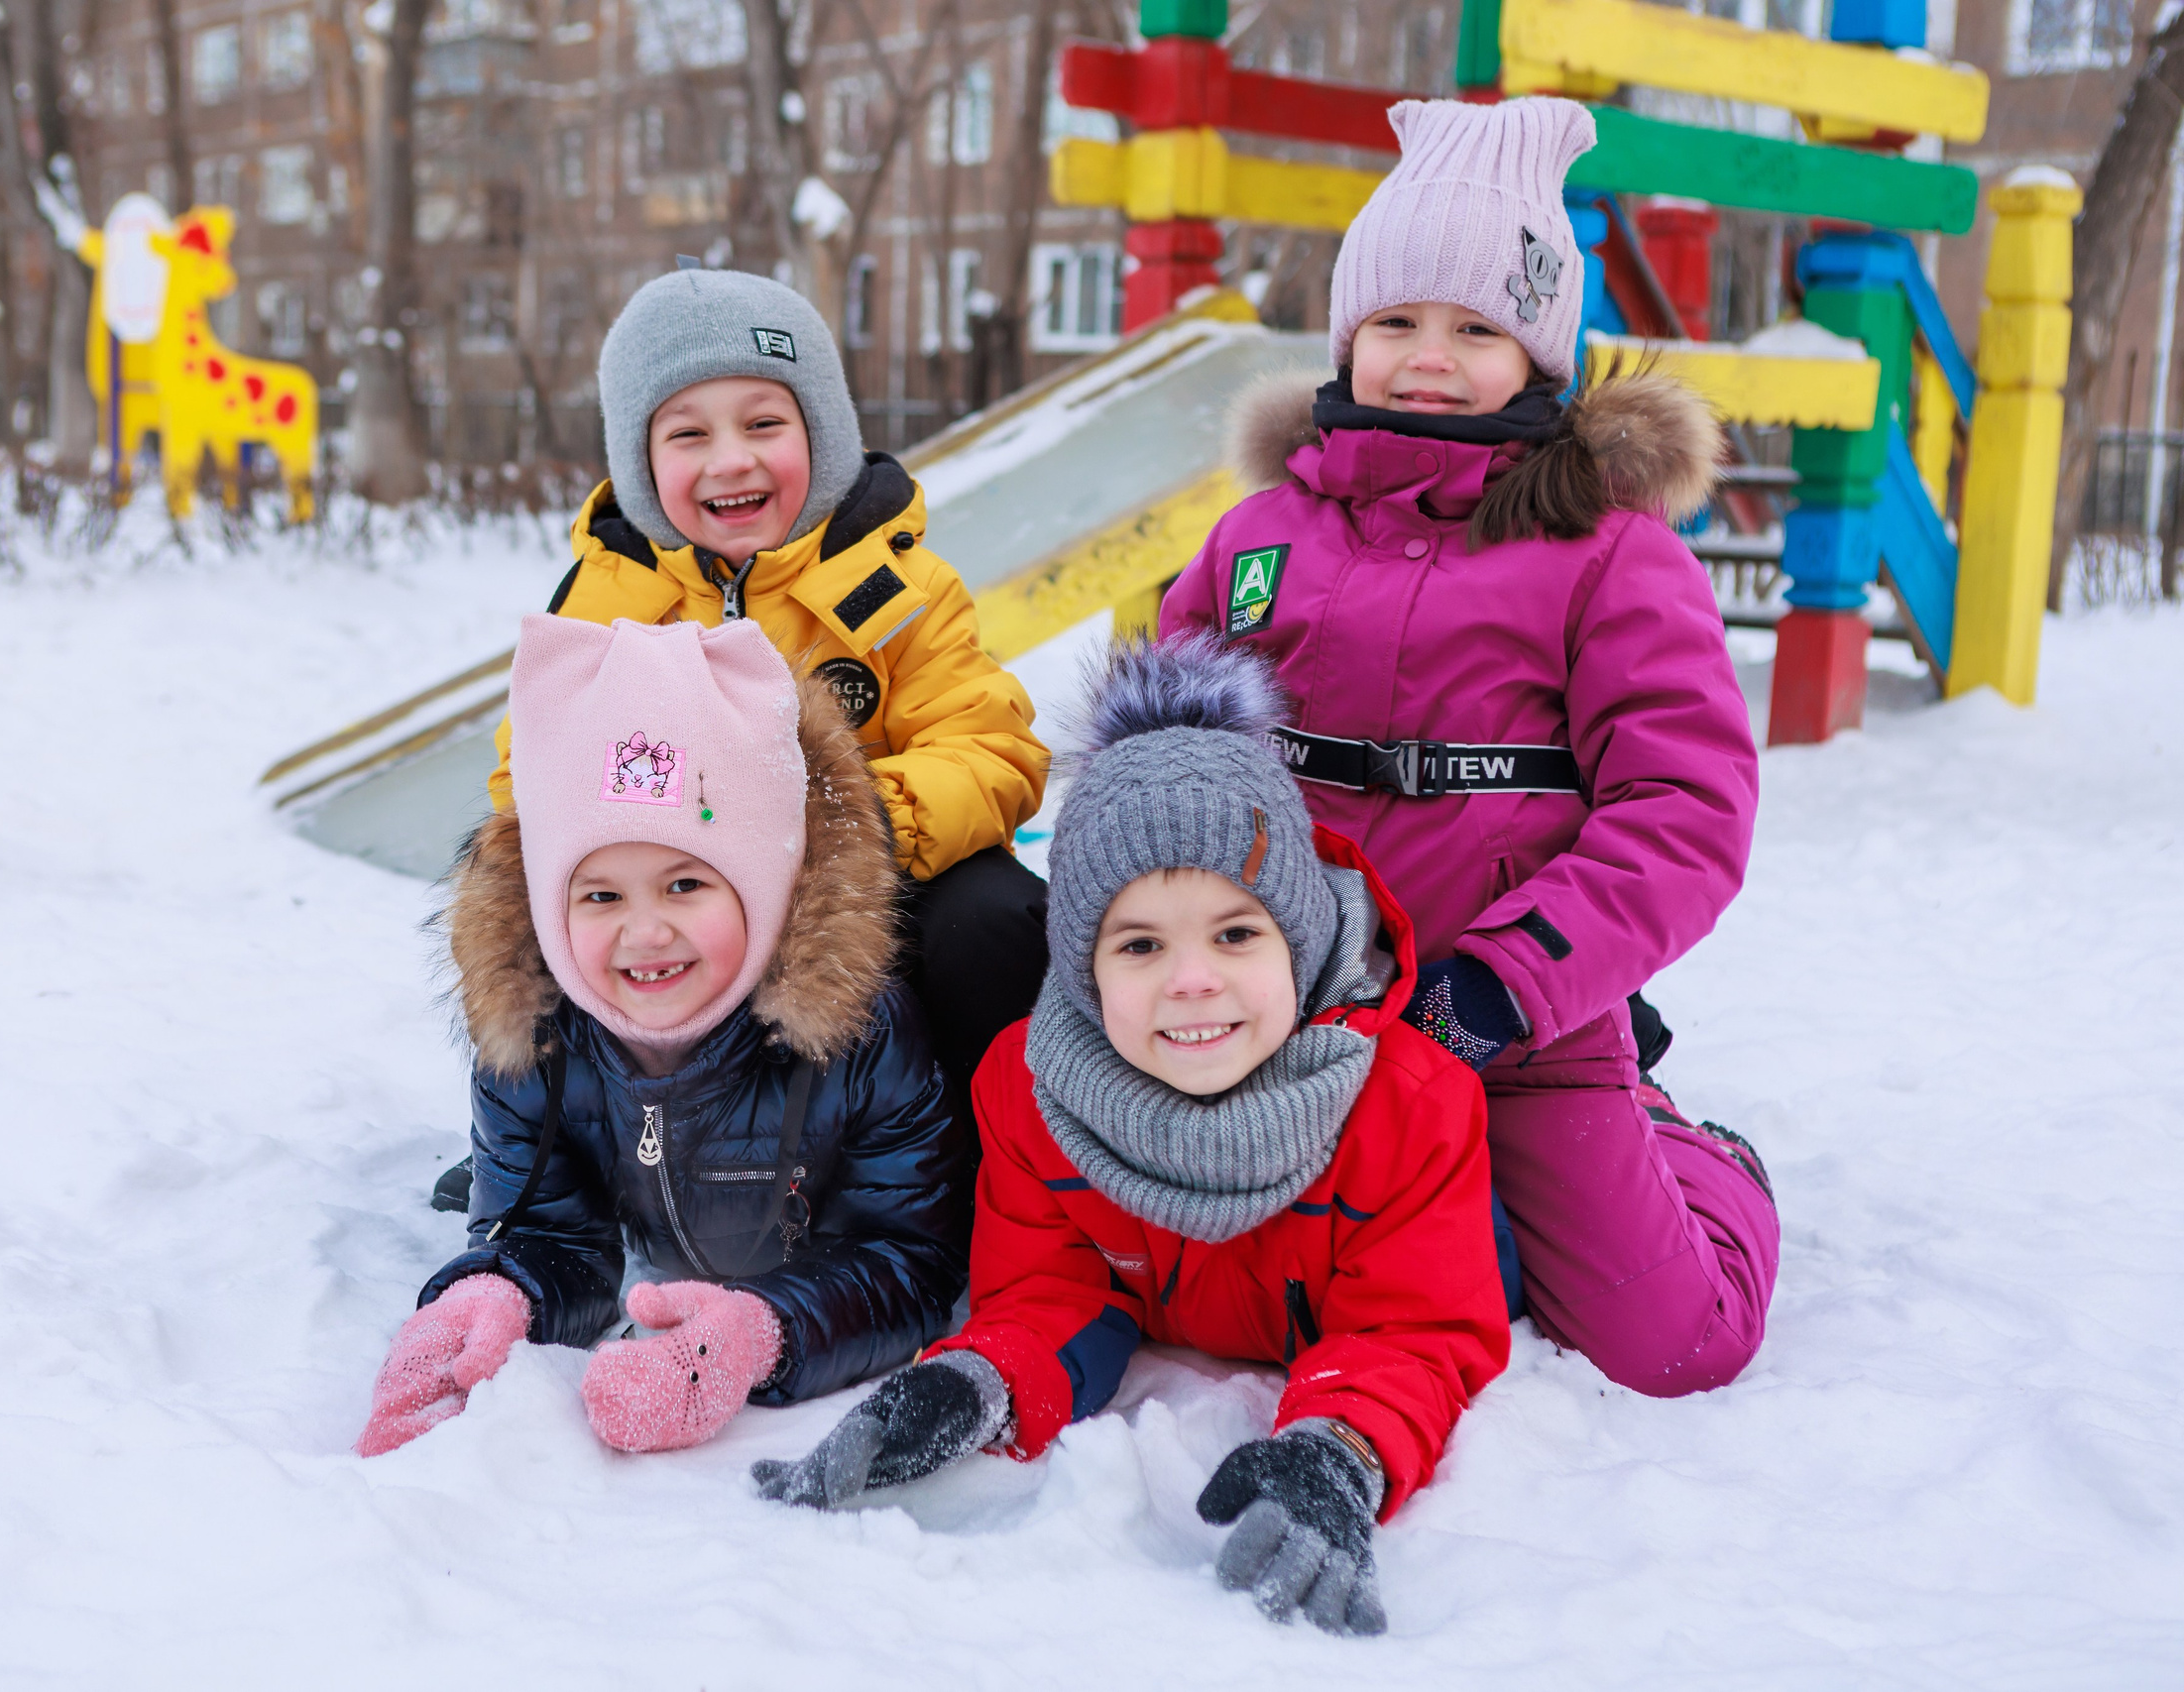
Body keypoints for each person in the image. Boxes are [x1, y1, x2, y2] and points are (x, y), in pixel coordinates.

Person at [1158, 95, 1779, 1398]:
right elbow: (1165, 749)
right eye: (1395, 321)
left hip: (1510, 1020)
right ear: (1346, 335)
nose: (1427, 357)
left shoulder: (1604, 551)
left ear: (1539, 354)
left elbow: (1684, 806)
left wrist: (1516, 976)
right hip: (1294, 1007)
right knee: (1231, 1291)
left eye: (1476, 327)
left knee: (1671, 1341)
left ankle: (1686, 1147)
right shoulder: (1262, 538)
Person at [754, 636, 1509, 1639]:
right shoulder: (1031, 1094)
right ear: (1083, 968)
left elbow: (1415, 1331)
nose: (1190, 981)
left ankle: (1695, 1151)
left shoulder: (1407, 1103)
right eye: (1141, 945)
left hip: (1457, 1249)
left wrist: (1341, 1446)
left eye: (1236, 934)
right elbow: (1050, 1289)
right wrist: (974, 1382)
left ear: (1304, 939)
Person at [453, 262, 1048, 1195]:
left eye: (765, 423)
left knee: (994, 918)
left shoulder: (896, 590)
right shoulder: (607, 605)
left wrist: (846, 837)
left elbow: (991, 746)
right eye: (689, 434)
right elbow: (529, 779)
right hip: (677, 892)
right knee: (517, 888)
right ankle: (556, 1149)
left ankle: (988, 1154)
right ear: (643, 465)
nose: (732, 459)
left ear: (821, 432)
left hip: (856, 887)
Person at [360, 615, 966, 1457]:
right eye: (601, 896)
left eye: (685, 884)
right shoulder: (534, 1033)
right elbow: (546, 1229)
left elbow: (907, 1259)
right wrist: (496, 1292)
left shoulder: (857, 1028)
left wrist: (762, 1328)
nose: (645, 933)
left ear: (769, 881)